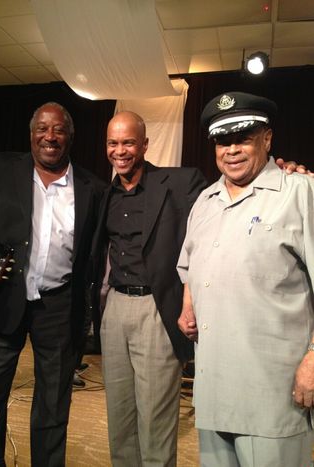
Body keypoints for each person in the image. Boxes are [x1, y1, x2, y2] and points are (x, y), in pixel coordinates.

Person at [90, 110, 304, 467]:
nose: (120, 150)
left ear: (144, 144)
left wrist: (285, 171)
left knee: (156, 424)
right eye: (113, 143)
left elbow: (237, 193)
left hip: (155, 309)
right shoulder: (102, 194)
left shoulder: (182, 182)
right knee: (119, 417)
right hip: (114, 308)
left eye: (128, 142)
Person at [0, 102, 105, 467]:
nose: (50, 137)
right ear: (31, 134)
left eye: (58, 130)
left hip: (59, 306)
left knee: (53, 401)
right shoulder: (0, 168)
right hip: (1, 300)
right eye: (42, 129)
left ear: (70, 137)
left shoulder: (92, 188)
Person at [177, 91, 314, 467]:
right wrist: (188, 306)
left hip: (272, 397)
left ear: (267, 139)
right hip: (213, 393)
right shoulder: (204, 202)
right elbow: (189, 265)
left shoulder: (301, 192)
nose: (232, 149)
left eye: (243, 137)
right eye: (223, 140)